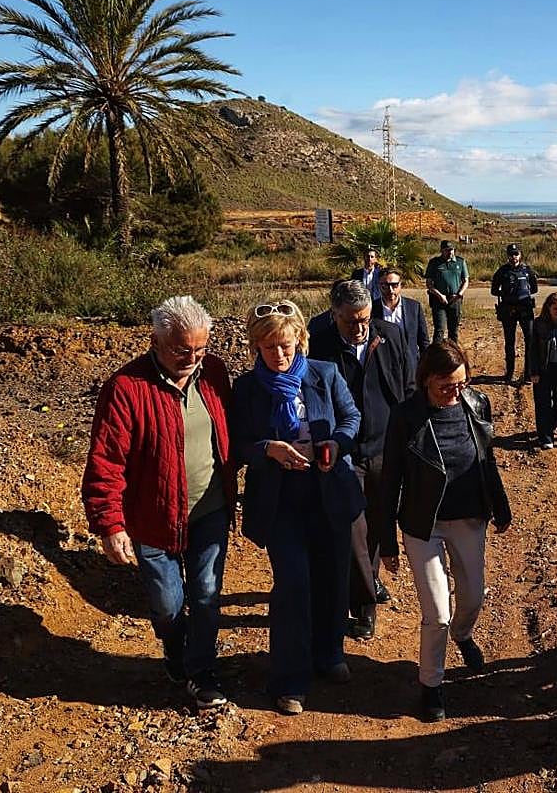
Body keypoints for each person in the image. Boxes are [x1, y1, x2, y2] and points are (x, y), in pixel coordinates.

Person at [82, 295, 235, 710]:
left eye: (199, 349)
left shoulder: (214, 374)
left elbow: (232, 435)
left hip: (209, 509)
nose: (192, 357)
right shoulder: (126, 388)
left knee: (206, 592)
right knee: (168, 605)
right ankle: (174, 647)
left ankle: (201, 671)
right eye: (181, 349)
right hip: (152, 517)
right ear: (156, 340)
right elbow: (106, 460)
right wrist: (110, 524)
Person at [231, 299, 368, 716]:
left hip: (328, 492)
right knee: (293, 585)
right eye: (271, 347)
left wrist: (334, 444)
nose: (280, 355)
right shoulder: (247, 388)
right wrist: (267, 449)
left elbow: (351, 417)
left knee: (332, 578)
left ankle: (329, 653)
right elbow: (234, 443)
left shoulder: (325, 375)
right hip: (281, 501)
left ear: (301, 341)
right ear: (257, 347)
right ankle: (289, 679)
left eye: (287, 345)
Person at [379, 340, 512, 722]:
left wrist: (500, 506)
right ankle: (431, 685)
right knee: (437, 612)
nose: (455, 393)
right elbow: (390, 482)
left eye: (460, 384)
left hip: (470, 520)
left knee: (472, 597)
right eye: (445, 387)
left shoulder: (476, 404)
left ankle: (463, 634)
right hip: (424, 526)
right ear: (426, 381)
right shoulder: (405, 416)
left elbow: (488, 460)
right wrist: (387, 541)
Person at [309, 280, 413, 640]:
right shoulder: (317, 341)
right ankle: (365, 604)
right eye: (350, 321)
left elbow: (406, 384)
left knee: (378, 524)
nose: (359, 328)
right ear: (333, 313)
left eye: (365, 319)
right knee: (353, 528)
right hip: (343, 451)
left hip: (385, 446)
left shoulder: (390, 334)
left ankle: (365, 590)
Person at [528, 292, 557, 450]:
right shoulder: (539, 324)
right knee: (543, 404)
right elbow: (532, 349)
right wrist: (533, 372)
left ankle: (553, 424)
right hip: (543, 370)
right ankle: (545, 437)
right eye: (555, 308)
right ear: (548, 308)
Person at [490, 243, 539, 384]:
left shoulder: (527, 270)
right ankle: (509, 374)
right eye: (511, 254)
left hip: (526, 310)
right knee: (510, 343)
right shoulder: (502, 271)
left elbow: (534, 289)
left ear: (520, 255)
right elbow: (493, 290)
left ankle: (528, 374)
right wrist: (506, 294)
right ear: (507, 256)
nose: (514, 257)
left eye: (516, 254)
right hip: (508, 311)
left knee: (530, 342)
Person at [372, 267, 430, 381]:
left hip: (410, 367)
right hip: (382, 368)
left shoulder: (414, 307)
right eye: (385, 285)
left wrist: (426, 367)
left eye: (394, 285)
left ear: (400, 285)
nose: (391, 290)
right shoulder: (371, 310)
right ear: (379, 286)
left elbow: (423, 341)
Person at [426, 240, 469, 342]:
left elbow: (466, 281)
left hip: (455, 300)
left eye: (452, 250)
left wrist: (459, 294)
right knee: (439, 330)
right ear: (442, 250)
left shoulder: (460, 262)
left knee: (453, 330)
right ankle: (436, 354)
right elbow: (429, 283)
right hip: (439, 300)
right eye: (447, 250)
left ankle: (453, 353)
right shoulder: (434, 263)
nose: (450, 252)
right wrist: (439, 295)